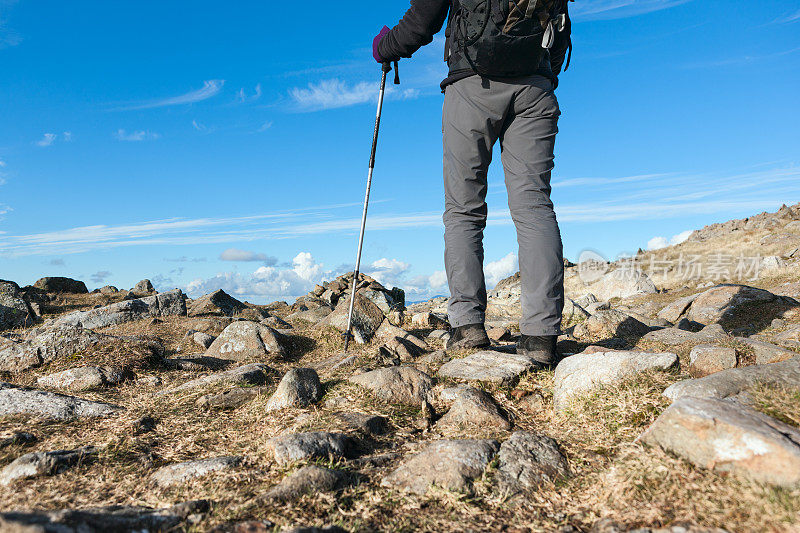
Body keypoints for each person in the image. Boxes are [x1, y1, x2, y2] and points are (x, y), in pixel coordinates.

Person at [373, 0, 572, 368]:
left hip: (471, 85)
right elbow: (560, 29)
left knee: (464, 210)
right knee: (534, 206)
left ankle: (467, 327)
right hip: (535, 89)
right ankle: (541, 337)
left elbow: (422, 21)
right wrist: (539, 74)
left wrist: (385, 47)